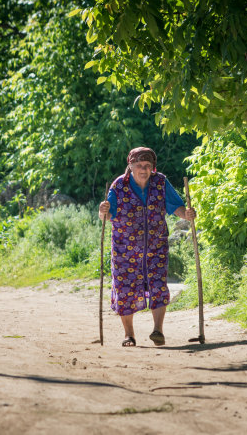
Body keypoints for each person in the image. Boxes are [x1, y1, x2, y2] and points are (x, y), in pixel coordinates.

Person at [98, 147, 196, 347]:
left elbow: (175, 206)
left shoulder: (160, 182)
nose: (144, 169)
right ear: (131, 166)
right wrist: (102, 212)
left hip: (156, 245)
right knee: (124, 289)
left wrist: (186, 214)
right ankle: (129, 335)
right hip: (124, 248)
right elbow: (108, 216)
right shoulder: (118, 186)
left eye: (148, 166)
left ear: (153, 167)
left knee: (158, 285)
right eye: (140, 165)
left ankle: (158, 331)